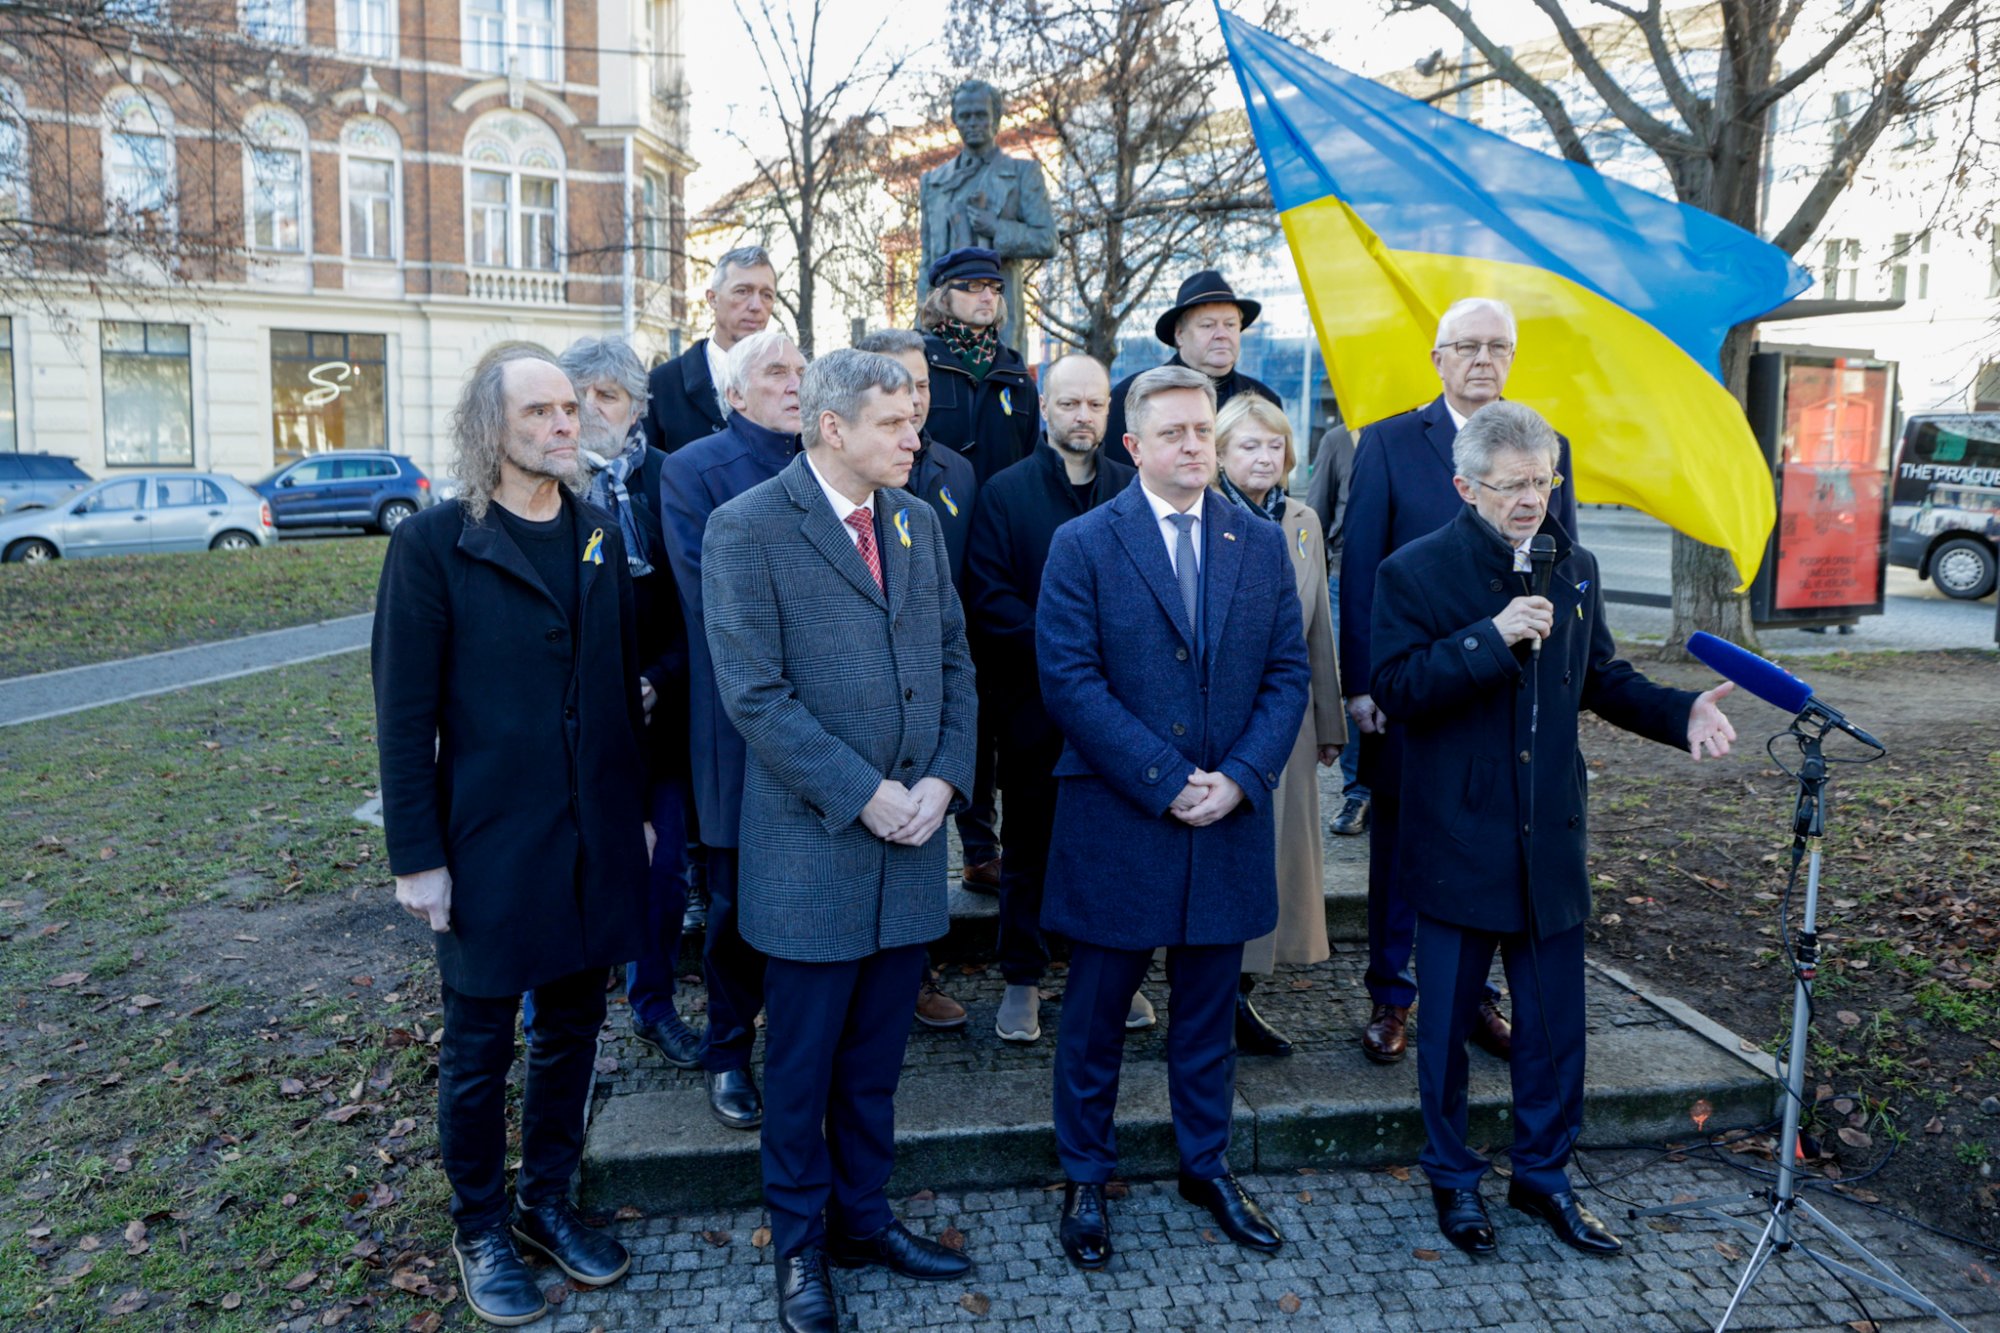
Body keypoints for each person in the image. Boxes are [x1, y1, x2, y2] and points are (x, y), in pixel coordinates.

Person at [1369, 401, 1735, 1258]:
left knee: (1555, 1026)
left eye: (1544, 480)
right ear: (1465, 486)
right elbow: (1394, 686)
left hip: (1550, 839)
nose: (1533, 499)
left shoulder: (1576, 567)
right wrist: (1488, 639)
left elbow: (1600, 676)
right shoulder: (1413, 571)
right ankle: (1453, 1181)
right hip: (1458, 839)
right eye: (1512, 486)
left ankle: (1543, 1177)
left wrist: (1680, 713)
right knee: (1448, 1034)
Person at [702, 349, 978, 1333]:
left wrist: (943, 779)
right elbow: (754, 695)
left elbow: (952, 658)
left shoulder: (914, 523)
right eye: (896, 421)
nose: (916, 437)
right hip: (813, 847)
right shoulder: (744, 530)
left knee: (872, 1064)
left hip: (910, 846)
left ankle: (863, 1220)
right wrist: (864, 794)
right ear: (831, 427)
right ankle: (797, 1248)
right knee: (803, 1069)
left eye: (915, 419)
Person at [372, 343, 646, 1326]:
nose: (562, 424)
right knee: (481, 1046)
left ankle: (544, 1202)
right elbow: (402, 715)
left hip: (591, 837)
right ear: (489, 428)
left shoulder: (597, 533)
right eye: (537, 411)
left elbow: (620, 690)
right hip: (485, 841)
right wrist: (417, 856)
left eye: (569, 408)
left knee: (573, 1030)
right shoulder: (435, 544)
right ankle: (480, 1222)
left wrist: (641, 812)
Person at [1036, 366, 1310, 1270]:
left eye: (1205, 431)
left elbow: (1287, 675)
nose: (1197, 446)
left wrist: (1238, 777)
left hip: (1227, 814)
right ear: (1135, 446)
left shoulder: (1258, 542)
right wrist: (1166, 777)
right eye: (1178, 434)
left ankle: (1207, 1162)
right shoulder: (1083, 543)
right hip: (1121, 814)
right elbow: (1069, 681)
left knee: (1205, 1013)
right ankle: (1085, 1172)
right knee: (1097, 1016)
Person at [1340, 296, 1579, 1067]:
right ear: (1438, 358)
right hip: (1411, 689)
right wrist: (1359, 685)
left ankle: (1477, 998)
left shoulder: (1543, 448)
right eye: (1467, 346)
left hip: (1509, 702)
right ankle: (1391, 993)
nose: (1484, 359)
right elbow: (1359, 571)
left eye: (1498, 347)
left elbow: (1564, 561)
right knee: (1402, 844)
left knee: (1490, 851)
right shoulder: (1385, 443)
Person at [659, 328, 808, 1132]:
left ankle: (799, 1051)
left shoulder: (829, 463)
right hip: (737, 727)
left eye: (800, 369)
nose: (793, 382)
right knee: (734, 909)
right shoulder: (693, 471)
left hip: (835, 724)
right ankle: (726, 1052)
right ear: (736, 395)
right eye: (775, 371)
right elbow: (713, 602)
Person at [962, 353, 1136, 1043]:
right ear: (1045, 407)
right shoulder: (1004, 493)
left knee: (1110, 847)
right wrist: (1071, 646)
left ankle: (1104, 976)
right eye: (1069, 403)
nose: (1083, 416)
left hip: (1123, 710)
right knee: (1030, 843)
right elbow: (989, 596)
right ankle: (1022, 979)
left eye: (1094, 404)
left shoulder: (1131, 489)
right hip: (1034, 705)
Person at [556, 335, 703, 1068]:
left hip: (659, 715)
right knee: (569, 868)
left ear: (639, 406)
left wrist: (661, 678)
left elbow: (696, 604)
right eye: (577, 393)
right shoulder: (545, 485)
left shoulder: (672, 479)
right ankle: (551, 1014)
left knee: (665, 870)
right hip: (574, 726)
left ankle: (653, 1004)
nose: (588, 410)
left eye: (606, 395)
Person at [853, 326, 981, 1032]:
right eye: (898, 398)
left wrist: (949, 767)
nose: (917, 408)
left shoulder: (952, 477)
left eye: (924, 391)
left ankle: (917, 971)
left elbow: (953, 633)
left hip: (930, 707)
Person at [1213, 395, 1346, 1057]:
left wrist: (1330, 719)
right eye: (1247, 446)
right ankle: (1212, 991)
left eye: (1273, 446)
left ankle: (1244, 995)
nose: (1263, 458)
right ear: (1220, 454)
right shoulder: (1204, 516)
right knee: (1226, 857)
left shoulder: (1303, 521)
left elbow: (1318, 622)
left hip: (1288, 720)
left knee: (1279, 859)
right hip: (1222, 722)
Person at [918, 246, 1038, 894]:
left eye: (994, 288)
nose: (987, 297)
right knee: (943, 700)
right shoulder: (922, 363)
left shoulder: (1014, 373)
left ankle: (983, 845)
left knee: (993, 701)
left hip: (1000, 551)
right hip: (938, 540)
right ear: (944, 295)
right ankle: (954, 837)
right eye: (971, 288)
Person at [917, 78, 1056, 353]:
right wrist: (921, 323)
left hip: (997, 318)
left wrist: (998, 228)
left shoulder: (1021, 174)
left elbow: (1047, 239)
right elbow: (926, 261)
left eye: (980, 114)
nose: (972, 122)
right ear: (955, 120)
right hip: (943, 321)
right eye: (965, 116)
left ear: (996, 117)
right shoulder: (933, 183)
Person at [1103, 270, 1283, 447]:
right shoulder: (1132, 395)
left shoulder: (1265, 400)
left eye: (1230, 324)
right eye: (1207, 325)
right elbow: (1118, 473)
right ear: (1179, 335)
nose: (1222, 334)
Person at [644, 245, 779, 453]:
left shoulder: (791, 385)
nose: (755, 305)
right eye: (742, 291)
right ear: (712, 298)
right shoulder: (660, 386)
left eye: (766, 295)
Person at [1303, 390, 1366, 836]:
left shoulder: (1419, 437)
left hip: (1412, 584)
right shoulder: (1340, 440)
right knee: (1353, 684)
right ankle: (1357, 791)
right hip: (1350, 579)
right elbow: (1317, 515)